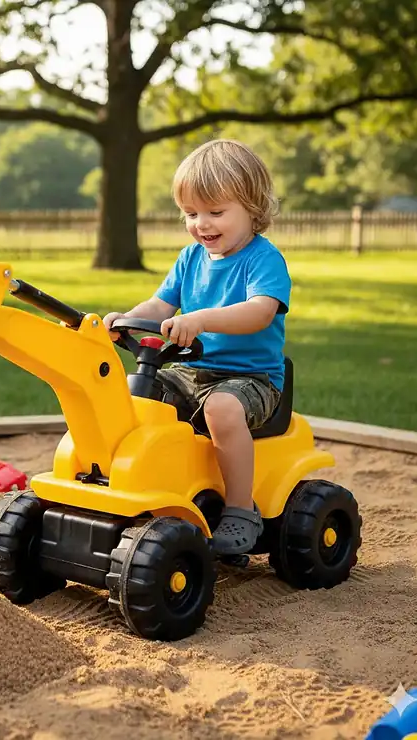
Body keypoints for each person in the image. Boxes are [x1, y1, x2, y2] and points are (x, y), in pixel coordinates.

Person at [103, 138, 292, 556]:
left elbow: (260, 312)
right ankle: (140, 482)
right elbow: (158, 306)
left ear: (253, 207)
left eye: (216, 212)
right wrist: (122, 319)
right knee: (138, 394)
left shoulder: (263, 260)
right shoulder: (190, 258)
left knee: (221, 409)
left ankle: (241, 509)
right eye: (191, 213)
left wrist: (201, 319)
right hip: (191, 372)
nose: (201, 224)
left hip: (252, 380)